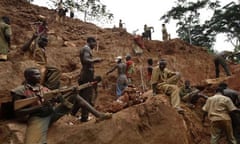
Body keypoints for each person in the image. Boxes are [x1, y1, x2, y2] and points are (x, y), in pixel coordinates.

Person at [11, 67, 112, 144]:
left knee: (74, 95)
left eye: (39, 74)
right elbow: (17, 113)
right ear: (28, 77)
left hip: (52, 113)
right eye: (36, 75)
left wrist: (66, 93)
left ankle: (99, 115)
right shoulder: (20, 91)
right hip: (38, 118)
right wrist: (38, 107)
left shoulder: (42, 88)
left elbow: (56, 97)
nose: (39, 76)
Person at [71, 37, 102, 122]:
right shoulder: (86, 49)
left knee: (81, 96)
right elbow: (85, 60)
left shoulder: (86, 49)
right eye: (94, 43)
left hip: (85, 75)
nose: (95, 45)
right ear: (90, 42)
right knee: (86, 97)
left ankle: (72, 113)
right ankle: (84, 117)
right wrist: (96, 60)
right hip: (86, 76)